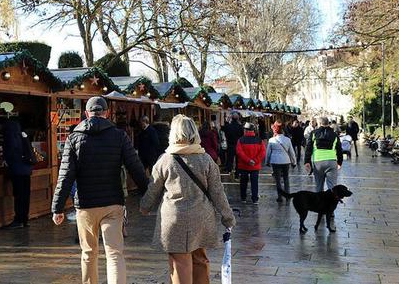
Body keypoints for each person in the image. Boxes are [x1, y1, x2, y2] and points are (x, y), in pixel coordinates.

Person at [51, 96, 148, 284]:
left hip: (86, 205)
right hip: (112, 203)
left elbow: (65, 176)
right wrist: (149, 195)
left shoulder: (74, 138)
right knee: (114, 254)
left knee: (88, 253)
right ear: (107, 113)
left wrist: (58, 207)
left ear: (86, 114)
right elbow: (135, 167)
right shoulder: (119, 136)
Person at [140, 115, 236, 284]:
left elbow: (153, 189)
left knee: (179, 264)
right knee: (200, 259)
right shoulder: (206, 160)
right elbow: (217, 192)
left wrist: (145, 207)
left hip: (174, 220)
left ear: (173, 134)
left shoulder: (165, 160)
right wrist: (227, 216)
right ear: (194, 133)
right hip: (201, 218)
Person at [304, 116, 343, 231]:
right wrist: (339, 162)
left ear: (319, 123)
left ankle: (320, 208)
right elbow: (339, 149)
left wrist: (307, 161)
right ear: (328, 123)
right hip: (331, 162)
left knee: (319, 186)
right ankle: (331, 212)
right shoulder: (335, 135)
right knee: (332, 187)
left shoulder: (314, 133)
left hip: (318, 162)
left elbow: (308, 148)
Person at [3, 119, 34, 228]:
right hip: (27, 170)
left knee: (19, 196)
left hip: (17, 170)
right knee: (25, 196)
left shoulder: (10, 137)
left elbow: (10, 154)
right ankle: (24, 219)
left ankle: (18, 220)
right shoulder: (22, 135)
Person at [266, 121, 296, 203]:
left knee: (278, 180)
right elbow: (292, 153)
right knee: (286, 179)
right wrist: (294, 162)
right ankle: (287, 196)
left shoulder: (271, 140)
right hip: (286, 161)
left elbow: (268, 153)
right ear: (283, 130)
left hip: (275, 161)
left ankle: (280, 197)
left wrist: (267, 162)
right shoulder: (287, 140)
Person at [236, 123, 266, 204]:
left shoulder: (241, 140)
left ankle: (243, 198)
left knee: (243, 182)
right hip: (255, 166)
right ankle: (255, 199)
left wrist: (248, 160)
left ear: (245, 130)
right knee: (254, 183)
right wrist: (255, 161)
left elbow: (239, 152)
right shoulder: (259, 140)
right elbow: (263, 152)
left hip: (244, 165)